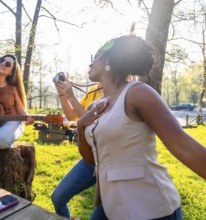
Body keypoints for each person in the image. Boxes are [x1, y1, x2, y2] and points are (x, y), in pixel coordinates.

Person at [77, 35, 206, 219]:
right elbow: (90, 159)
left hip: (152, 207)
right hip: (112, 207)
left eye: (96, 57)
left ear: (109, 61)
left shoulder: (138, 93)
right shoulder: (94, 106)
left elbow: (183, 146)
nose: (90, 63)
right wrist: (81, 126)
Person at [51, 78, 103, 219]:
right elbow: (72, 115)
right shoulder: (94, 90)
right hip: (91, 158)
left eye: (97, 58)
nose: (91, 65)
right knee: (58, 198)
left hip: (111, 162)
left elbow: (89, 119)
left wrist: (71, 96)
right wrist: (62, 94)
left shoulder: (120, 92)